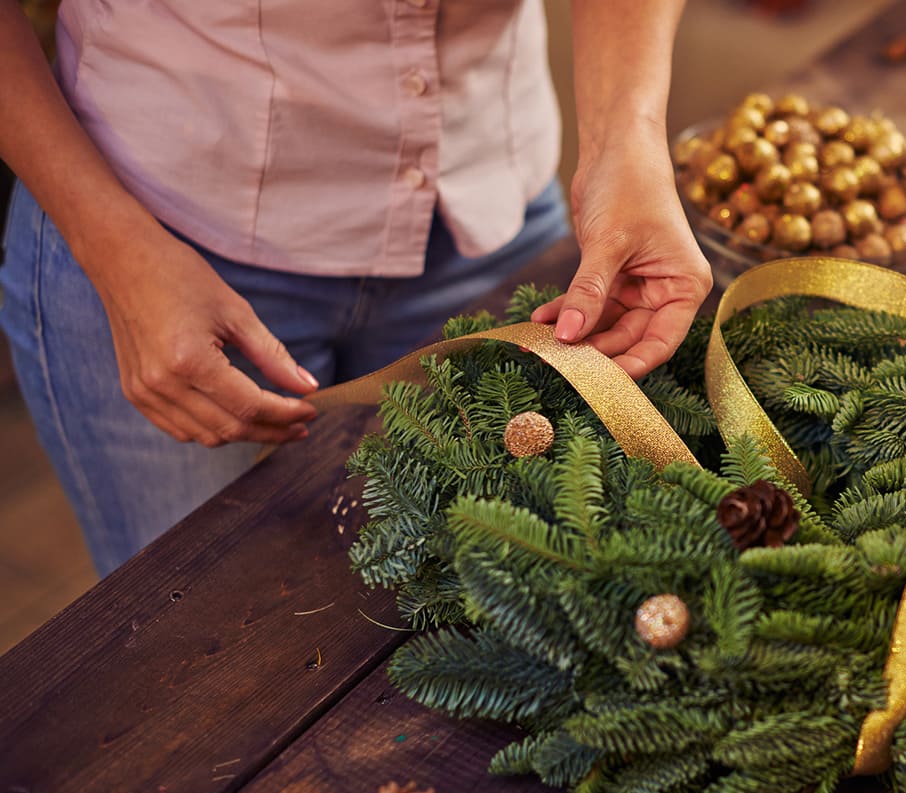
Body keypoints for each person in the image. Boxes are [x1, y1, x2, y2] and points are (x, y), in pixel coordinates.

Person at [0, 0, 712, 576]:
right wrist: (115, 250)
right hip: (160, 245)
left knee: (488, 595)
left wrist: (630, 140)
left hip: (486, 211)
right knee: (183, 635)